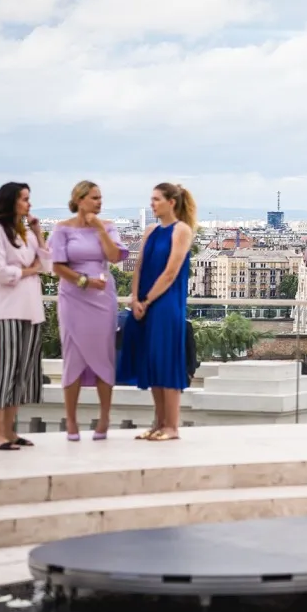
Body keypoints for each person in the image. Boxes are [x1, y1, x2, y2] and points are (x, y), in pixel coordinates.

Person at [48, 181, 129, 441]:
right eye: (94, 197)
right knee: (72, 354)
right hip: (73, 297)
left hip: (102, 299)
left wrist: (99, 230)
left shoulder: (108, 227)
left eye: (100, 197)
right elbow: (57, 266)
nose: (99, 202)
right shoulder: (62, 229)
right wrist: (83, 281)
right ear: (79, 199)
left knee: (103, 354)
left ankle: (104, 417)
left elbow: (115, 256)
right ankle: (71, 420)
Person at [0, 182, 51, 450]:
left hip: (30, 310)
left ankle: (8, 431)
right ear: (11, 202)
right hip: (6, 310)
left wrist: (38, 232)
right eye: (24, 199)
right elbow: (0, 272)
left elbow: (47, 264)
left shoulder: (26, 234)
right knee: (2, 371)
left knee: (21, 373)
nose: (29, 204)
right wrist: (28, 271)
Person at [117, 182, 196, 441]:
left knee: (167, 362)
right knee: (152, 363)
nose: (152, 204)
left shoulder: (181, 230)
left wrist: (147, 300)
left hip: (166, 305)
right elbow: (138, 266)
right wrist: (135, 299)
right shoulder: (150, 231)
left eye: (156, 199)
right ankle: (159, 423)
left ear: (171, 202)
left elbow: (171, 272)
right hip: (145, 304)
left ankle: (171, 426)